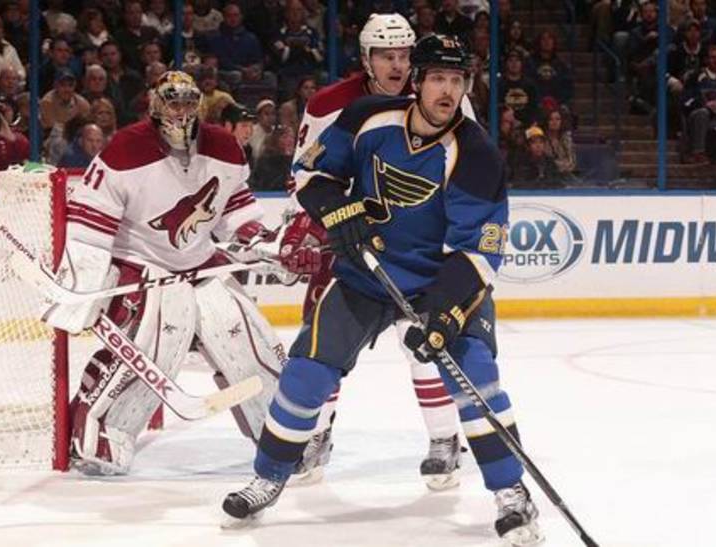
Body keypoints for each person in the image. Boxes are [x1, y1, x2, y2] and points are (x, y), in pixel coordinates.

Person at [223, 35, 542, 546]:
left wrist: (443, 314)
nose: (448, 91)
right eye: (438, 79)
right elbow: (311, 173)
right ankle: (268, 476)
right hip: (366, 276)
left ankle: (511, 490)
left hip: (440, 284)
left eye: (457, 81)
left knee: (476, 380)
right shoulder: (369, 118)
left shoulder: (477, 155)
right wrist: (338, 210)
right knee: (306, 372)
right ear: (417, 81)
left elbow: (477, 252)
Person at [43, 71, 286, 476]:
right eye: (174, 103)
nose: (182, 112)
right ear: (156, 106)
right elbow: (89, 225)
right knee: (159, 338)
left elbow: (235, 209)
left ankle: (283, 434)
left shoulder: (224, 146)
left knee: (246, 335)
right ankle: (100, 433)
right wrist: (81, 283)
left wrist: (261, 240)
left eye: (189, 103)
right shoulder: (124, 149)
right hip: (139, 262)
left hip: (200, 260)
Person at [277, 14, 475, 491]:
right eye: (387, 56)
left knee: (424, 340)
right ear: (366, 59)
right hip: (349, 236)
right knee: (323, 343)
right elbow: (304, 174)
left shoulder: (445, 96)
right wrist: (304, 225)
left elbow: (470, 169)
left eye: (405, 55)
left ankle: (445, 440)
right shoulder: (330, 105)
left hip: (419, 240)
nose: (398, 65)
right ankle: (315, 435)